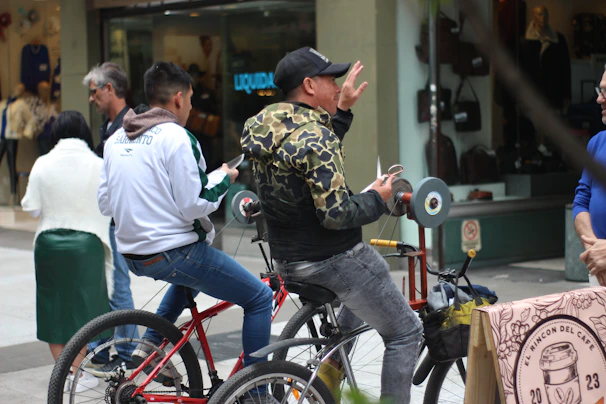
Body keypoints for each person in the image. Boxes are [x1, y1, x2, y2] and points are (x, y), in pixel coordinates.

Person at [241, 47, 423, 403]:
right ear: (309, 85)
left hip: (288, 260)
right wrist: (378, 198)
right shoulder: (315, 137)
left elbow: (305, 161)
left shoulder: (264, 127)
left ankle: (325, 383)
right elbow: (336, 215)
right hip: (331, 258)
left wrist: (342, 110)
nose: (337, 85)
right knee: (405, 332)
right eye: (331, 79)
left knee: (359, 300)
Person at [97, 61, 272, 383]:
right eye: (191, 100)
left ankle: (149, 346)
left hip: (132, 253)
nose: (191, 107)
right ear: (179, 98)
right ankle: (256, 391)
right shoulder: (177, 137)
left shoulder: (116, 139)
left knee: (187, 277)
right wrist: (224, 177)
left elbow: (105, 202)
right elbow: (195, 204)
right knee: (260, 298)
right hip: (174, 252)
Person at [21, 110, 112, 392]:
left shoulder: (42, 163)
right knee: (84, 309)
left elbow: (31, 206)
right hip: (87, 245)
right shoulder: (98, 164)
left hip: (49, 244)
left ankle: (64, 373)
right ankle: (77, 372)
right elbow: (109, 204)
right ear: (84, 132)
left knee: (53, 309)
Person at [82, 62, 140, 372]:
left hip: (121, 220)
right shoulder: (111, 125)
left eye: (93, 92)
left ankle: (127, 354)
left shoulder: (129, 125)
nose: (91, 99)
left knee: (119, 285)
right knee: (114, 284)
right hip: (111, 218)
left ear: (109, 89)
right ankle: (114, 351)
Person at [573, 66, 606, 287]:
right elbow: (580, 202)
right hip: (599, 271)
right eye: (600, 90)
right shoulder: (597, 142)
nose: (598, 99)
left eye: (605, 93)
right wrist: (596, 252)